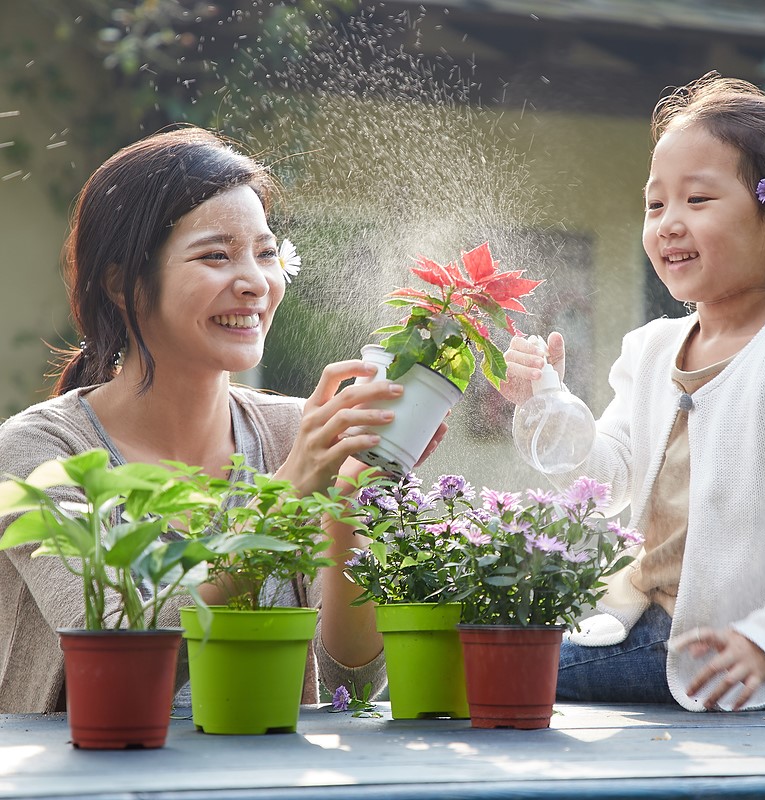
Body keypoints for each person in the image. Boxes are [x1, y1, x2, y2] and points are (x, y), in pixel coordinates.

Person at [0, 126, 441, 713]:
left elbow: (352, 685)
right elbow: (116, 638)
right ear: (122, 284)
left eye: (266, 253)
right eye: (215, 255)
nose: (256, 282)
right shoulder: (40, 453)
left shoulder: (295, 433)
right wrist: (293, 491)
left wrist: (351, 493)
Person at [500, 74, 765, 712]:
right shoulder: (650, 351)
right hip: (639, 624)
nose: (668, 224)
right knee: (471, 641)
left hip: (707, 653)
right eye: (655, 205)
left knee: (481, 664)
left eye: (697, 199)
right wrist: (547, 403)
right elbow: (609, 477)